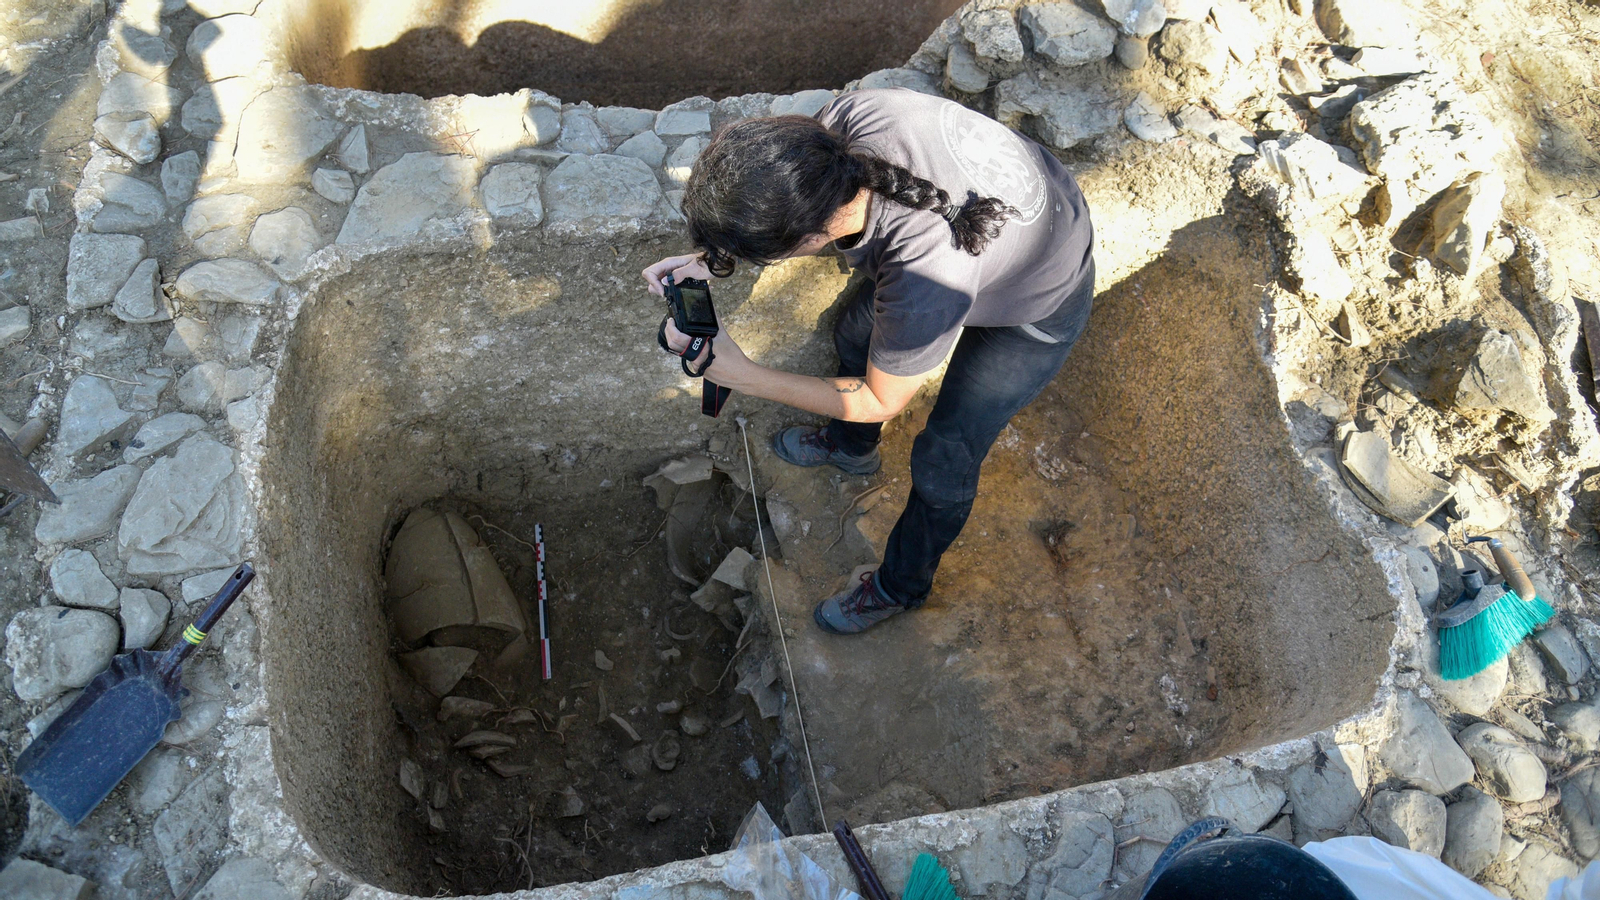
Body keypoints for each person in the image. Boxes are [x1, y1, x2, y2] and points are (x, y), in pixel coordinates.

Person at [643, 87, 1095, 635]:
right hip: (987, 250)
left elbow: (885, 397)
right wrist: (708, 257)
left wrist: (746, 376)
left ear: (813, 237)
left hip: (1035, 299)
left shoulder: (926, 271)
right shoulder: (836, 133)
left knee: (945, 457)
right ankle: (852, 449)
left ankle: (899, 587)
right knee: (855, 329)